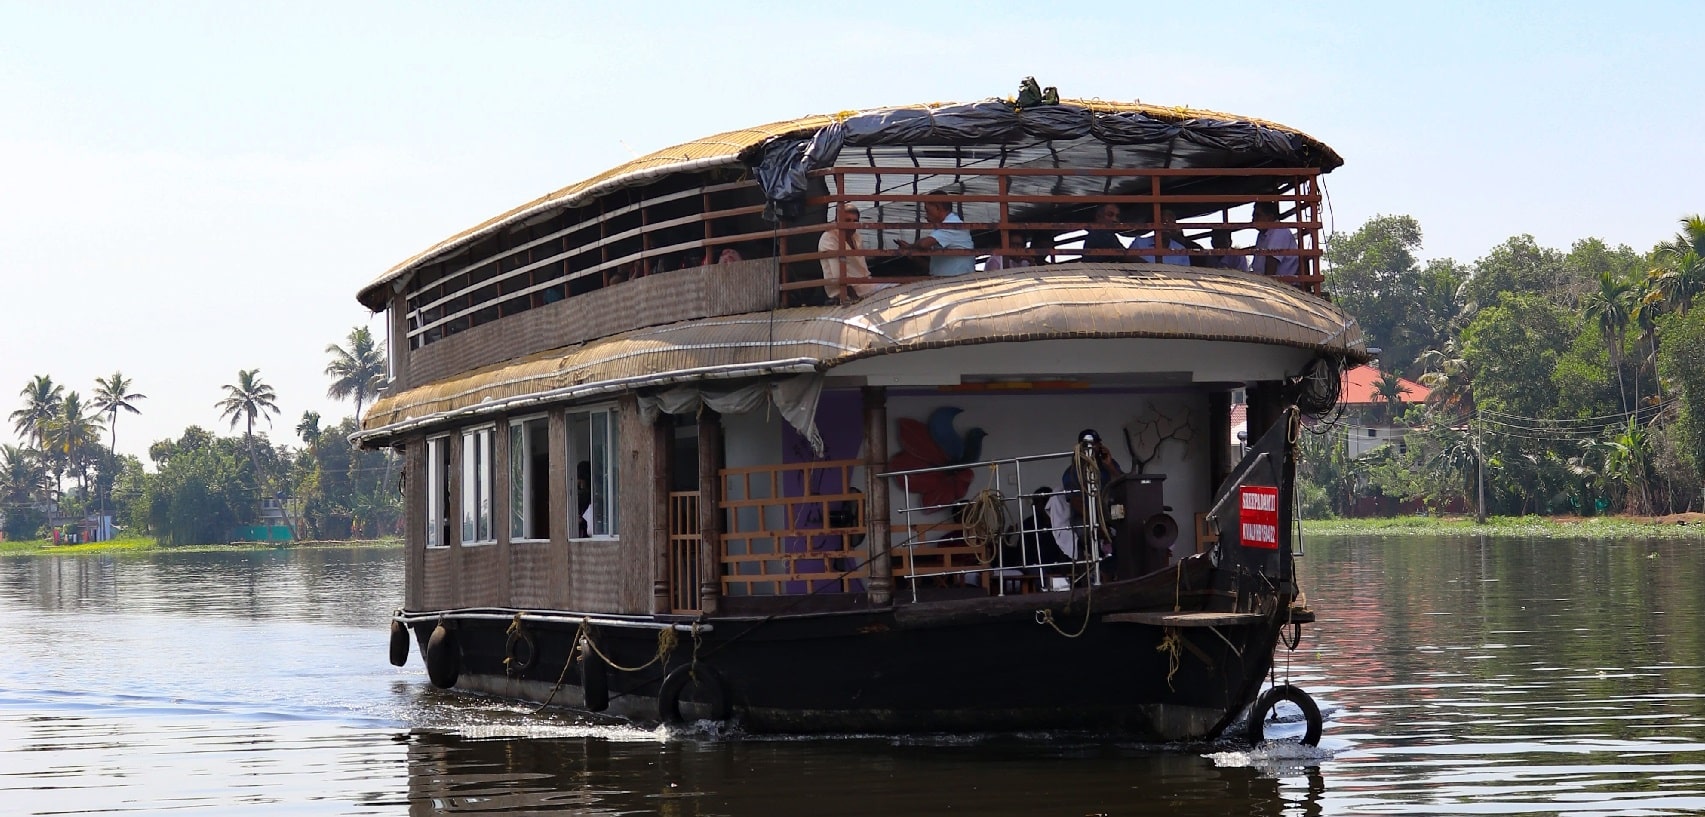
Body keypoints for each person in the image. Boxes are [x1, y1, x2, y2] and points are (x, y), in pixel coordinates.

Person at [819, 205, 890, 302]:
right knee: (894, 287)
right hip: (845, 291)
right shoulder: (829, 239)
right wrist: (854, 299)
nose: (851, 225)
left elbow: (863, 268)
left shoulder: (856, 236)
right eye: (847, 221)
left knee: (897, 286)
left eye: (855, 221)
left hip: (866, 285)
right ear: (837, 220)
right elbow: (837, 275)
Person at [895, 197, 974, 276]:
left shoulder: (952, 224)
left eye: (928, 210)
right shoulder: (942, 229)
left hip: (958, 281)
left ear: (938, 208)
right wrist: (913, 255)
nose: (926, 215)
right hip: (949, 280)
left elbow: (924, 244)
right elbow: (933, 266)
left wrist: (910, 246)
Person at [1250, 201, 1299, 276]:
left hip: (1280, 284)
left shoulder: (1279, 230)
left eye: (1258, 215)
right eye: (1253, 216)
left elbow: (1271, 263)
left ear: (1270, 217)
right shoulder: (1262, 234)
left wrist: (1265, 285)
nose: (1253, 219)